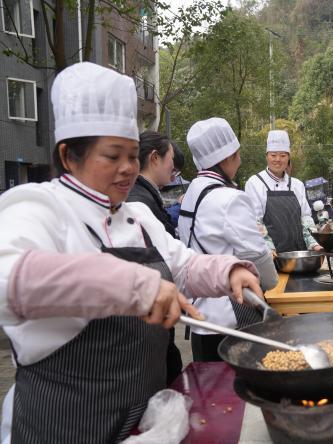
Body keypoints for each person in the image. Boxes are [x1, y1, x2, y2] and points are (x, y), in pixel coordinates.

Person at [0, 62, 262, 443]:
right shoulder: (38, 207)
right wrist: (132, 284)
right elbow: (7, 280)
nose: (127, 169)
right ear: (70, 155)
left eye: (132, 155)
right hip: (62, 427)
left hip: (145, 422)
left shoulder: (136, 216)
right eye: (112, 156)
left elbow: (184, 265)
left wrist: (227, 272)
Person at [178, 118, 278, 361]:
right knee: (238, 386)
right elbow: (256, 253)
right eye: (237, 154)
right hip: (232, 316)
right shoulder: (228, 198)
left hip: (201, 315)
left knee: (213, 392)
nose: (240, 160)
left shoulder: (192, 191)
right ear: (226, 157)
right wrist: (272, 282)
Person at [127, 130, 183, 385]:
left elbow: (177, 256)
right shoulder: (139, 202)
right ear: (154, 158)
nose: (174, 168)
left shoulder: (148, 197)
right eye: (170, 158)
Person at [244, 130, 322, 255]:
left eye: (283, 155)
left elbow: (306, 218)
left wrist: (314, 243)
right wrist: (268, 247)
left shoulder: (297, 184)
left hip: (299, 253)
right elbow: (255, 221)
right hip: (270, 255)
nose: (278, 160)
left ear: (289, 157)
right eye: (273, 155)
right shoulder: (255, 183)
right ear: (266, 156)